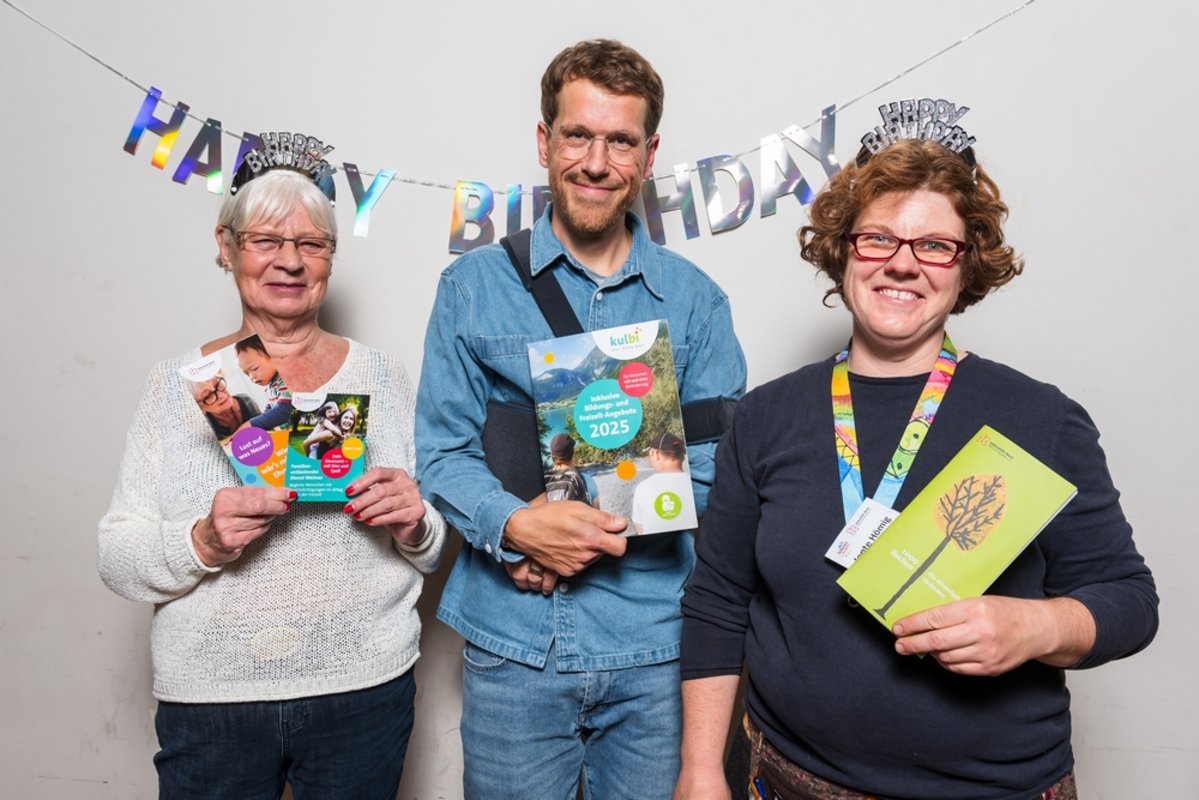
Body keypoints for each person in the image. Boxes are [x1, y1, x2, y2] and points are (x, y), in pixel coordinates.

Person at [674, 109, 1158, 800]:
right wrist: (698, 771)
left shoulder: (1040, 419)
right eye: (878, 237)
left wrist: (1036, 625)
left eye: (934, 245)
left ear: (967, 266)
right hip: (789, 782)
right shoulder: (766, 417)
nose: (901, 263)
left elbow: (1129, 601)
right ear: (843, 250)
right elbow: (718, 602)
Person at [416, 39, 746, 800]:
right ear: (544, 141)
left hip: (654, 649)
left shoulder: (697, 303)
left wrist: (572, 533)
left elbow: (712, 466)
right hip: (512, 642)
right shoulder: (471, 288)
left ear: (649, 154)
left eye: (620, 141)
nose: (596, 163)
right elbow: (442, 452)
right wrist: (514, 527)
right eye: (577, 136)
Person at [97, 133, 446, 800]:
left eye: (311, 243)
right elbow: (115, 555)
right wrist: (202, 541)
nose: (290, 261)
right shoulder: (175, 385)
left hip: (364, 691)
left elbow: (429, 549)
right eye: (265, 240)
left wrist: (415, 525)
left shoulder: (382, 376)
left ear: (331, 258)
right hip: (212, 702)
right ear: (226, 247)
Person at [630, 431, 695, 535]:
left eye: (650, 453)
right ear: (682, 456)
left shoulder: (643, 488)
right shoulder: (694, 483)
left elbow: (640, 529)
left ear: (655, 454)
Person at [235, 334, 292, 431]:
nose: (252, 377)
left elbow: (284, 410)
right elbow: (270, 410)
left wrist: (251, 424)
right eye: (246, 373)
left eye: (254, 368)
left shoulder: (286, 378)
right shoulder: (271, 385)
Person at [187, 371, 260, 441]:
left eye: (217, 384)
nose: (221, 395)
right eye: (208, 396)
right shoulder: (204, 426)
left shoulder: (246, 401)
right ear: (199, 407)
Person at [544, 432, 599, 507]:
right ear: (574, 452)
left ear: (552, 455)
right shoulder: (585, 479)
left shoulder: (543, 481)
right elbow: (596, 509)